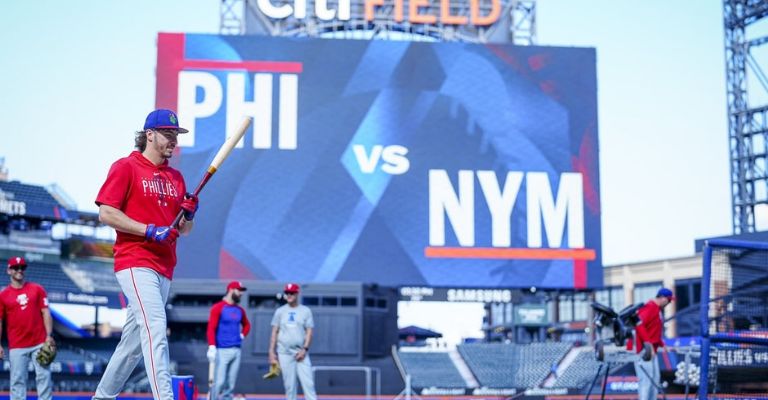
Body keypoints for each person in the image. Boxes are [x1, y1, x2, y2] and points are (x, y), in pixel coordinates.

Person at [92, 109, 199, 400]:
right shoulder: (126, 166)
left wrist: (189, 215)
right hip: (135, 260)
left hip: (165, 266)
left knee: (132, 346)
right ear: (149, 135)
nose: (173, 140)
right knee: (155, 328)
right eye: (167, 134)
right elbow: (106, 213)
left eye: (176, 135)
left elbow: (184, 230)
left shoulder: (176, 177)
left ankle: (101, 397)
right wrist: (148, 230)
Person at [0, 256, 55, 400]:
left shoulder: (37, 289)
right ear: (9, 270)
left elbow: (46, 312)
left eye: (22, 267)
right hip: (17, 345)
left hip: (39, 342)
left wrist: (49, 336)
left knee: (44, 378)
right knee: (17, 381)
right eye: (15, 268)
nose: (19, 270)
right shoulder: (3, 295)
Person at [269, 283, 317, 400]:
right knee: (289, 387)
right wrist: (271, 352)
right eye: (287, 293)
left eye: (292, 293)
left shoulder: (305, 311)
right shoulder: (280, 311)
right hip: (284, 353)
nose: (289, 295)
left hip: (301, 353)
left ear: (297, 294)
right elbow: (274, 332)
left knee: (309, 384)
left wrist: (305, 349)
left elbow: (309, 332)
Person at [207, 281, 251, 400]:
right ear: (231, 290)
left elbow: (247, 325)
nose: (241, 293)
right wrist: (212, 346)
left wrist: (242, 335)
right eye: (239, 290)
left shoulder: (240, 310)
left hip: (236, 351)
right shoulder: (218, 308)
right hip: (222, 351)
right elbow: (211, 328)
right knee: (219, 382)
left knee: (230, 384)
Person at [630, 287, 674, 400]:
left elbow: (653, 331)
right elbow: (639, 325)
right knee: (646, 381)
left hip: (650, 349)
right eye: (669, 300)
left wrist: (662, 345)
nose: (669, 303)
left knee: (654, 380)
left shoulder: (656, 309)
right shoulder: (650, 307)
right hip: (643, 350)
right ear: (663, 298)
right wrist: (648, 345)